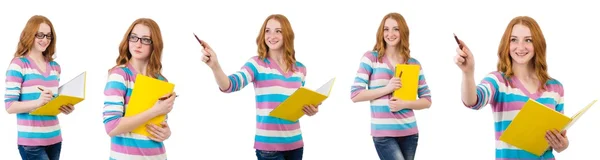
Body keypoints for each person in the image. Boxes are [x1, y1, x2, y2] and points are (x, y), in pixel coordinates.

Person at [200, 14, 319, 160]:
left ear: (287, 34)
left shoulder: (300, 69)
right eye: (267, 31)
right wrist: (215, 66)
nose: (272, 36)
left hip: (296, 144)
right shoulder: (257, 64)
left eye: (278, 31)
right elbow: (230, 85)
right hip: (269, 150)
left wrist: (310, 109)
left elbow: (295, 104)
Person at [454, 16, 569, 159]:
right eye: (514, 40)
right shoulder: (498, 81)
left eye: (528, 40)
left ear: (538, 44)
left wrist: (562, 145)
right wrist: (468, 72)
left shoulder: (555, 88)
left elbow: (558, 138)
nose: (520, 47)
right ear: (506, 44)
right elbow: (472, 101)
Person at [350, 12, 432, 160]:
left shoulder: (413, 64)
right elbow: (355, 95)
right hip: (383, 134)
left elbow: (427, 100)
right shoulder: (371, 58)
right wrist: (388, 89)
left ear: (403, 32)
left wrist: (405, 104)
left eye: (396, 29)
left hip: (410, 132)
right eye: (386, 29)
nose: (390, 34)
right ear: (381, 32)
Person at [4, 15, 75, 160]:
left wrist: (63, 107)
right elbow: (10, 106)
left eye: (49, 36)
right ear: (30, 35)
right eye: (40, 35)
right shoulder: (19, 65)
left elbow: (50, 104)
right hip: (31, 143)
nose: (45, 40)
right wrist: (37, 102)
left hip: (55, 138)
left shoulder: (55, 67)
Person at [102, 18, 175, 160]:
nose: (138, 44)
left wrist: (166, 132)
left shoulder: (161, 81)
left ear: (155, 44)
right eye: (134, 37)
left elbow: (160, 123)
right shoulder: (120, 75)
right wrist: (156, 110)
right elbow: (111, 127)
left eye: (146, 39)